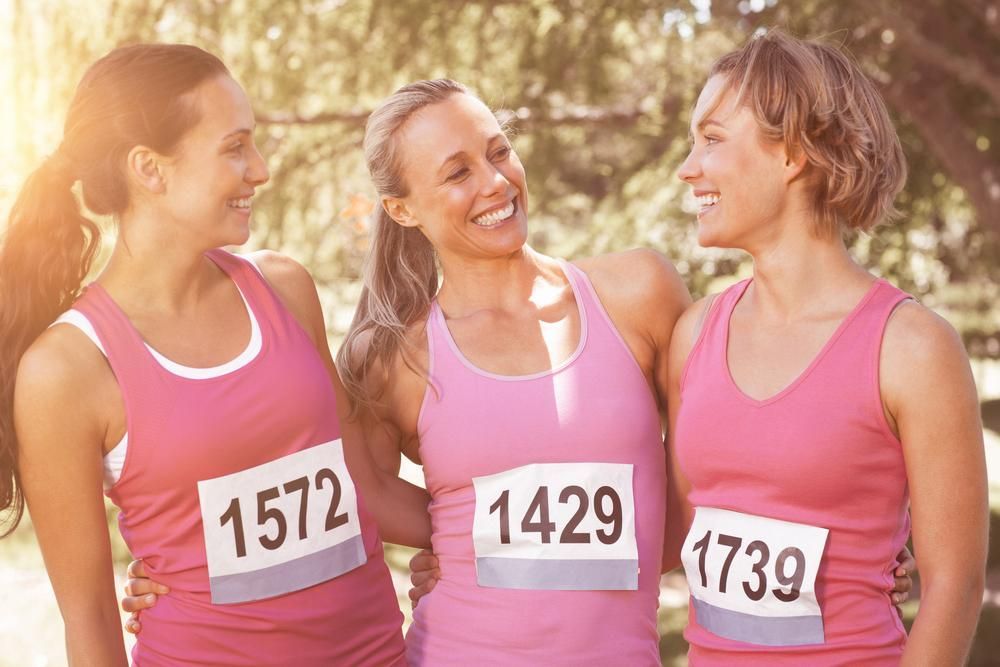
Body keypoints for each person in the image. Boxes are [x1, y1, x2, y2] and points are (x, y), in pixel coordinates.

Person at [119, 74, 916, 662]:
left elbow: (742, 435)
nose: (496, 182)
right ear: (403, 210)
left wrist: (862, 533)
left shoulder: (637, 294)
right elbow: (333, 490)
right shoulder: (395, 355)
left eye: (497, 151)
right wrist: (176, 572)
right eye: (457, 172)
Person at [0, 43, 430, 666]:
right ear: (149, 168)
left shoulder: (284, 289)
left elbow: (366, 486)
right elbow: (89, 617)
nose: (260, 169)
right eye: (234, 147)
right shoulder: (65, 370)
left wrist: (499, 540)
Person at [665, 30, 987, 664]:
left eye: (712, 138)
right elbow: (683, 527)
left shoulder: (912, 348)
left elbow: (955, 587)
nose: (688, 167)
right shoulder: (693, 333)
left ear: (791, 154)